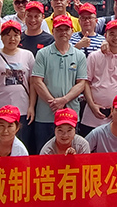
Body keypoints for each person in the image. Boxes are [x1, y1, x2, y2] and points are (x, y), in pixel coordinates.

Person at [30, 15, 89, 153]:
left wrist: (64, 100)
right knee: (44, 153)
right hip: (45, 114)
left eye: (66, 29)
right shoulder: (42, 54)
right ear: (53, 31)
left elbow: (81, 83)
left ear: (72, 31)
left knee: (70, 154)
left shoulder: (79, 56)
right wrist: (53, 102)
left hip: (70, 116)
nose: (63, 32)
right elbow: (37, 81)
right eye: (59, 29)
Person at [0, 20, 34, 141]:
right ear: (1, 37)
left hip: (22, 110)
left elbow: (32, 84)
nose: (12, 39)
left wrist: (31, 106)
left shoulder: (28, 56)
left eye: (16, 35)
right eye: (8, 35)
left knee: (21, 145)